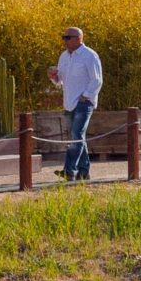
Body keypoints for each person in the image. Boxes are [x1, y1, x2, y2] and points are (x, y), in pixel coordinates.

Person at [48, 25, 102, 184]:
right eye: (64, 37)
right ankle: (84, 173)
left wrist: (86, 96)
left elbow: (97, 79)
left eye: (68, 37)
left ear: (79, 38)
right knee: (78, 137)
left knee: (76, 136)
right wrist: (53, 77)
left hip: (84, 103)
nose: (65, 41)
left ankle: (69, 170)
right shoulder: (63, 56)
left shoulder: (89, 55)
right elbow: (60, 82)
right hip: (69, 103)